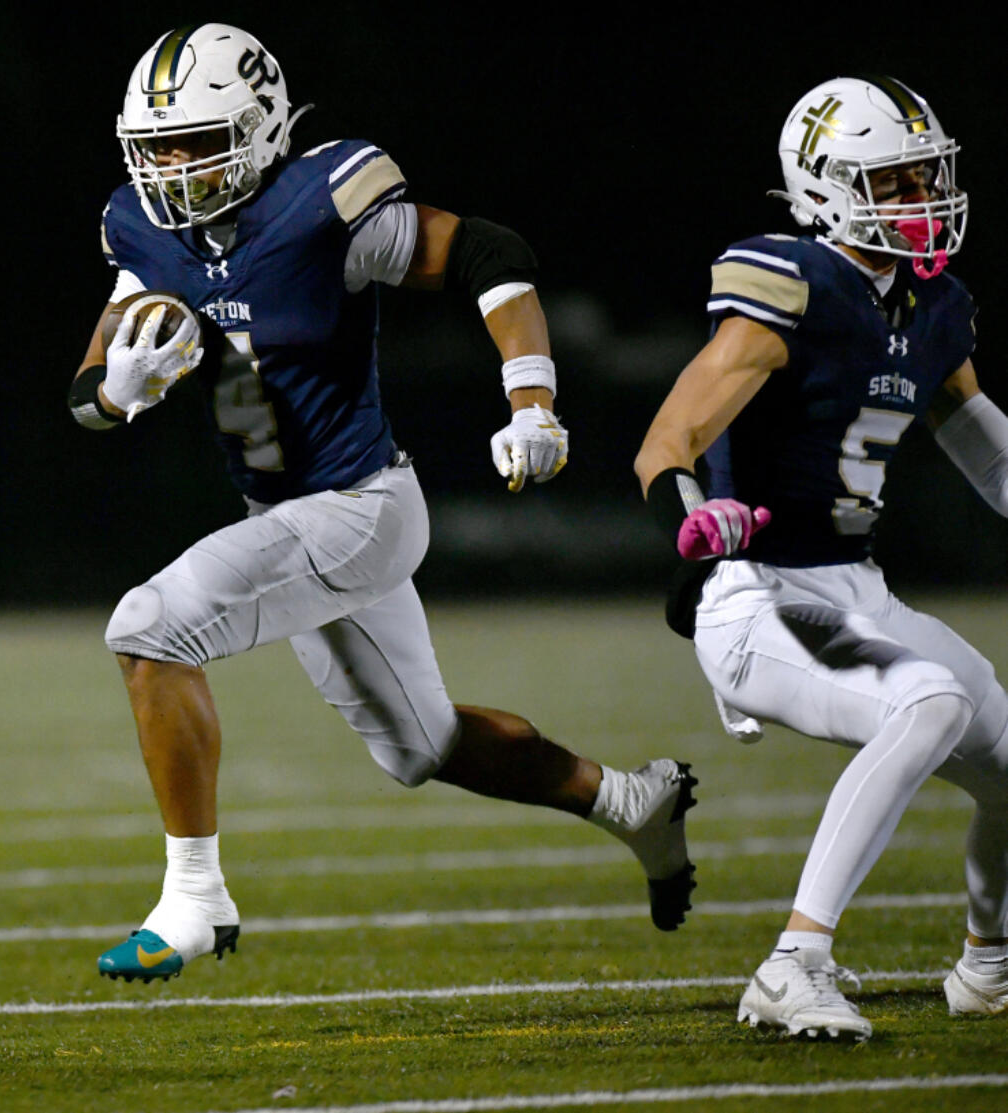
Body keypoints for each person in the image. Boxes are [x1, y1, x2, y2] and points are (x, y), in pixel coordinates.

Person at [68, 22, 698, 984]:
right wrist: (123, 389)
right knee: (424, 745)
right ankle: (630, 801)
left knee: (150, 625)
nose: (176, 171)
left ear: (262, 125)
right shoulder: (143, 227)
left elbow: (489, 250)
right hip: (279, 511)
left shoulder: (323, 200)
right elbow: (86, 396)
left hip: (359, 505)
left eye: (197, 143)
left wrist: (532, 394)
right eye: (158, 150)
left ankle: (195, 895)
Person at [634, 74, 1008, 1040]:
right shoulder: (787, 285)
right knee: (931, 697)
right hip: (758, 596)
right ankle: (794, 960)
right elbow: (665, 442)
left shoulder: (934, 303)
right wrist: (698, 515)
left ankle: (988, 966)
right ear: (829, 188)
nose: (922, 196)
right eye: (895, 181)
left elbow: (983, 447)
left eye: (927, 173)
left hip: (858, 589)